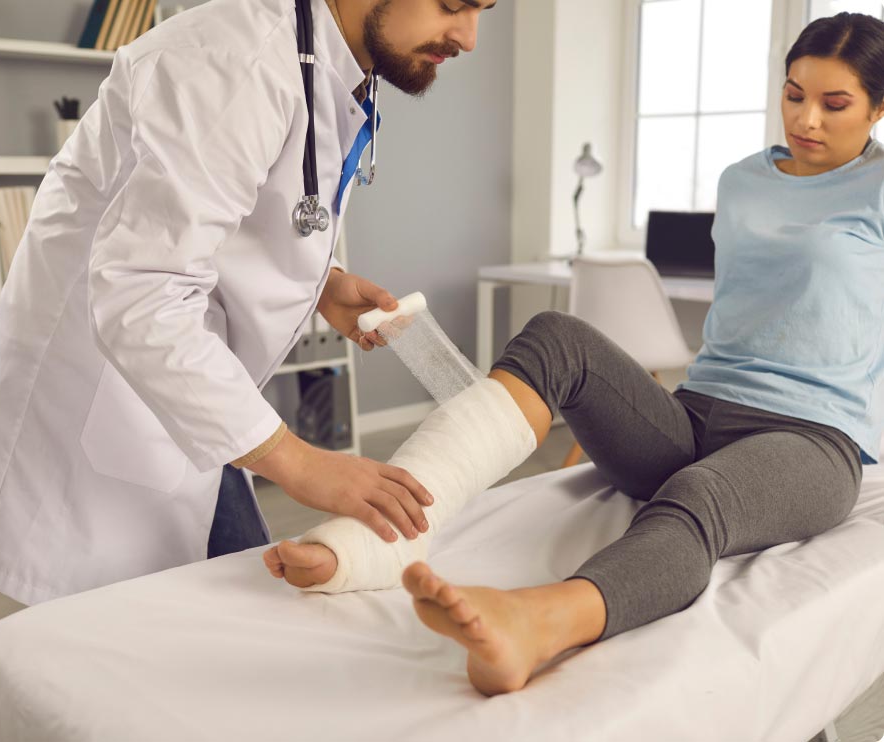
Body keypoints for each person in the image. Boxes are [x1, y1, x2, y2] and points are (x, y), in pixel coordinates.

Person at [265, 11, 884, 696]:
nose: (805, 119)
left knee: (696, 495)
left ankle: (535, 624)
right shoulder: (741, 180)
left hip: (808, 439)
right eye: (793, 94)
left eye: (834, 104)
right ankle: (397, 527)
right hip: (697, 415)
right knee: (555, 336)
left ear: (876, 108)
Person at [0, 0, 497, 606]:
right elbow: (140, 294)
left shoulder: (327, 63)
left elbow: (238, 211)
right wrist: (299, 462)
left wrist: (325, 282)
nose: (470, 38)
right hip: (97, 399)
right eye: (454, 4)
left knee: (239, 617)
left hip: (189, 401)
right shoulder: (234, 64)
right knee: (133, 647)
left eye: (484, 10)